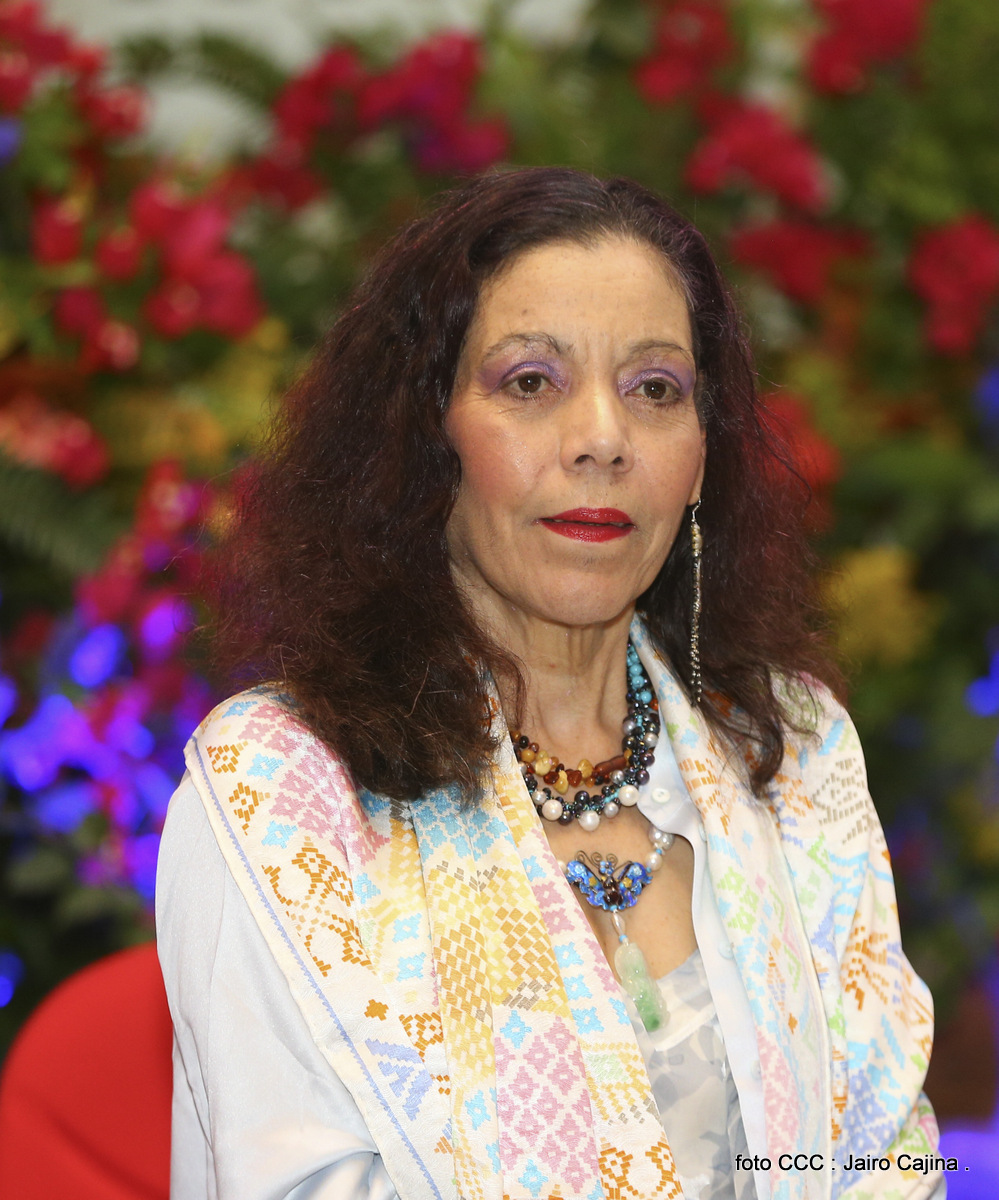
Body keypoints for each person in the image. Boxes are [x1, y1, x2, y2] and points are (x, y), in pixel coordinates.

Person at [156, 167, 943, 1200]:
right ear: (426, 435)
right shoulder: (284, 793)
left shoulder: (790, 749)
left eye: (655, 390)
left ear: (702, 458)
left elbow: (886, 1159)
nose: (603, 440)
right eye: (531, 383)